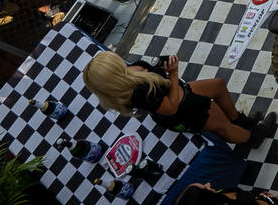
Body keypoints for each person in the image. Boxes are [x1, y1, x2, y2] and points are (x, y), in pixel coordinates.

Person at [82, 50, 260, 149]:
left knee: (218, 85)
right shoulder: (138, 93)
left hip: (181, 93)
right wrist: (173, 73)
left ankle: (240, 120)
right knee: (223, 127)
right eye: (115, 62)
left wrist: (161, 66)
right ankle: (253, 138)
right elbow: (171, 108)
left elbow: (154, 76)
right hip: (184, 109)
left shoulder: (130, 72)